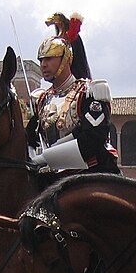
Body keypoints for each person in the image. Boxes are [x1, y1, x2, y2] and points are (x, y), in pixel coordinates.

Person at [26, 13, 117, 175]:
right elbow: (29, 137)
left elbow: (94, 138)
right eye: (41, 60)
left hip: (88, 172)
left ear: (66, 58)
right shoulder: (41, 99)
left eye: (49, 59)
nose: (43, 65)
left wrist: (45, 158)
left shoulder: (89, 93)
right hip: (50, 174)